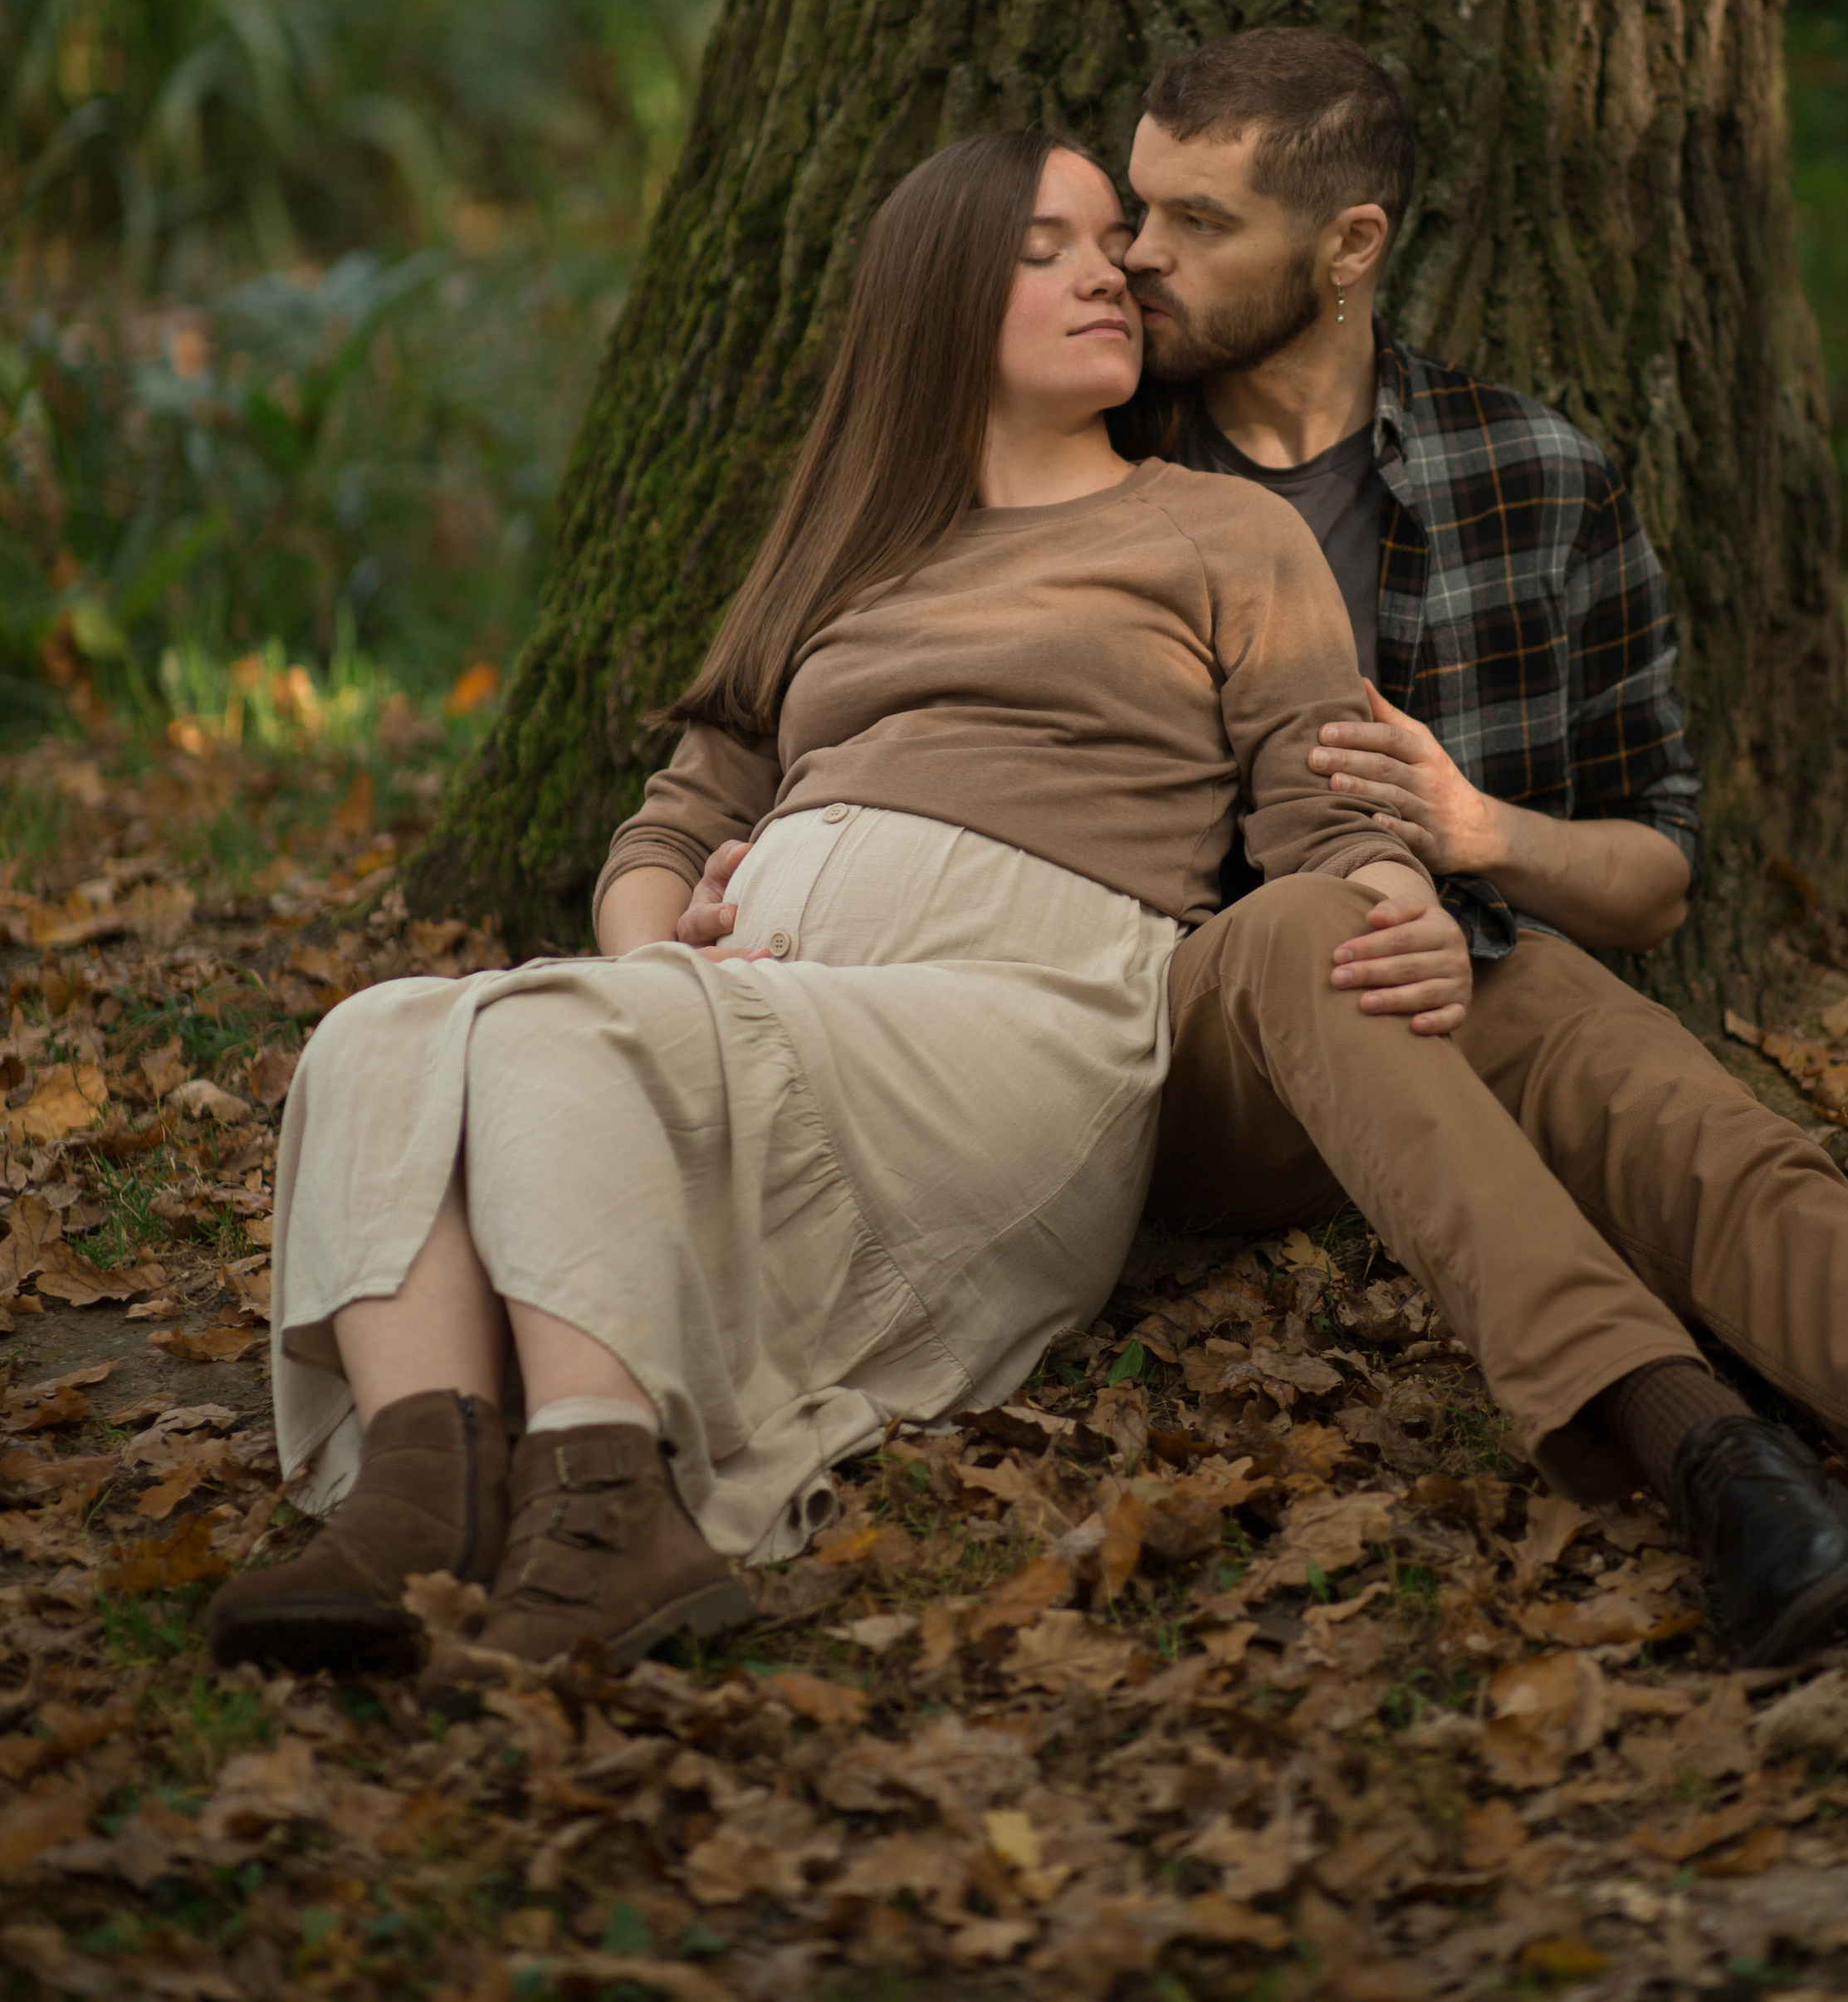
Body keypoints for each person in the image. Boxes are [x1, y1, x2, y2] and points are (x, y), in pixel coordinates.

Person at [210, 130, 1450, 1673]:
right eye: (1045, 245)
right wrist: (657, 960)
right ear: (939, 295)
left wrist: (1401, 891)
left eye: (1112, 238)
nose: (1110, 269)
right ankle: (420, 1492)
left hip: (1028, 1029)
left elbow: (1322, 796)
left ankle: (611, 1510)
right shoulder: (845, 553)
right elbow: (670, 827)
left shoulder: (1220, 531)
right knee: (378, 1034)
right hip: (771, 1010)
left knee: (545, 1041)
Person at [1110, 26, 1848, 1651]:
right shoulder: (1095, 474)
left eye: (1196, 224)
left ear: (1350, 245)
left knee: (1704, 1137)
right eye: (1134, 209)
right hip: (1198, 1038)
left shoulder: (1533, 478)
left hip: (1448, 976)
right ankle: (1702, 1459)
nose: (1137, 258)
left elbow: (1651, 878)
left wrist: (1475, 831)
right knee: (1329, 939)